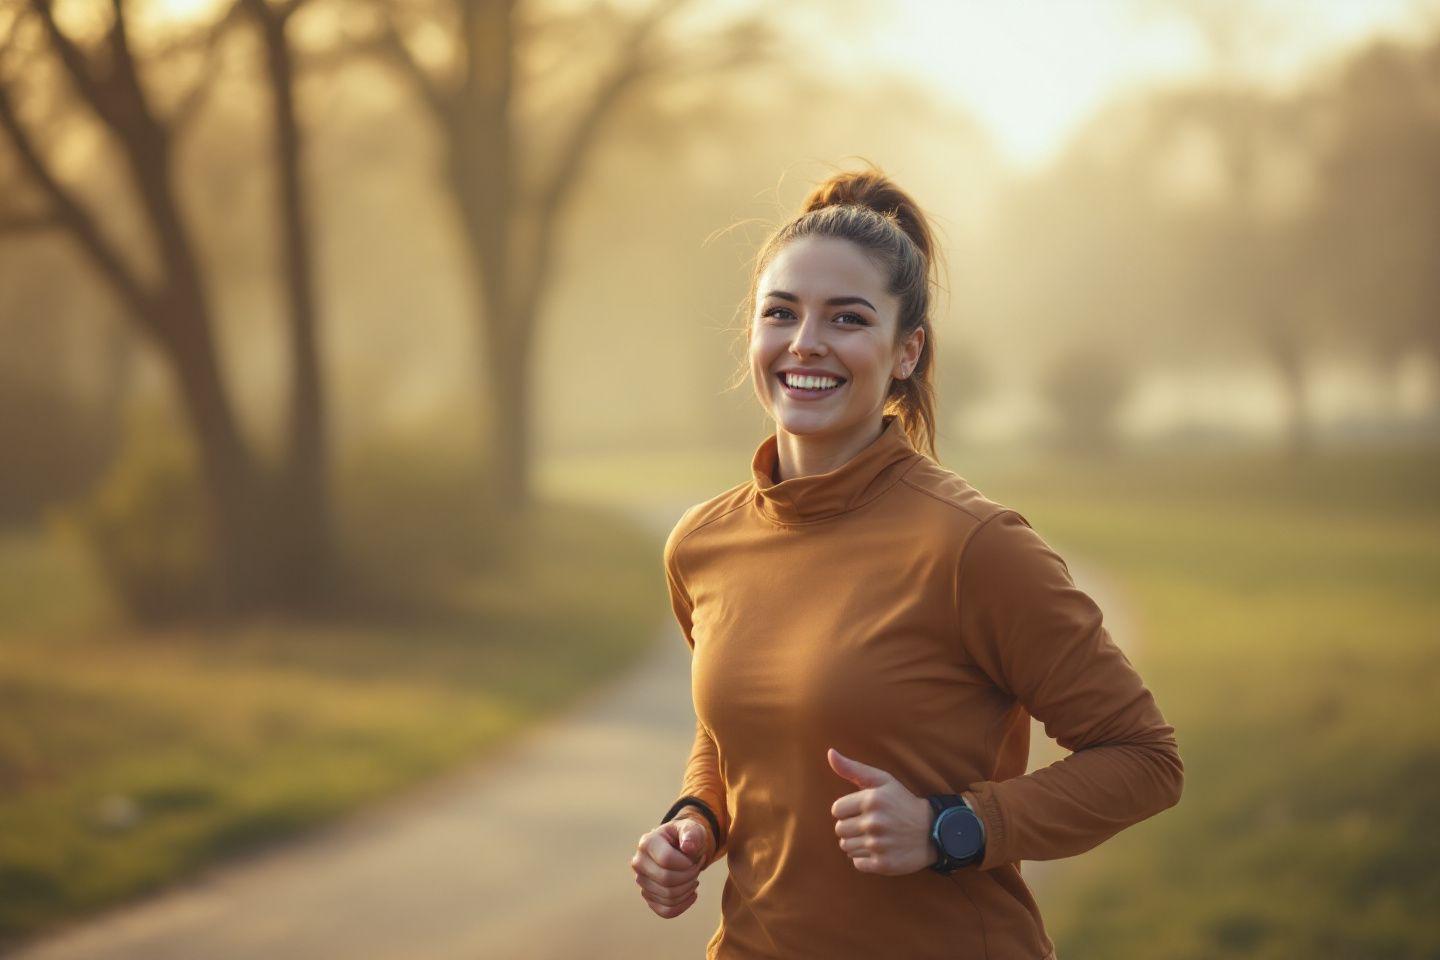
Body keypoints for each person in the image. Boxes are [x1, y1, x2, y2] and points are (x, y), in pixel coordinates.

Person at [628, 164, 1183, 959]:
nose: (805, 342)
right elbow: (740, 730)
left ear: (905, 352)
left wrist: (949, 826)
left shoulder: (973, 547)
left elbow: (1145, 760)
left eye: (847, 319)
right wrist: (695, 821)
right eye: (779, 313)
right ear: (752, 333)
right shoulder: (702, 545)